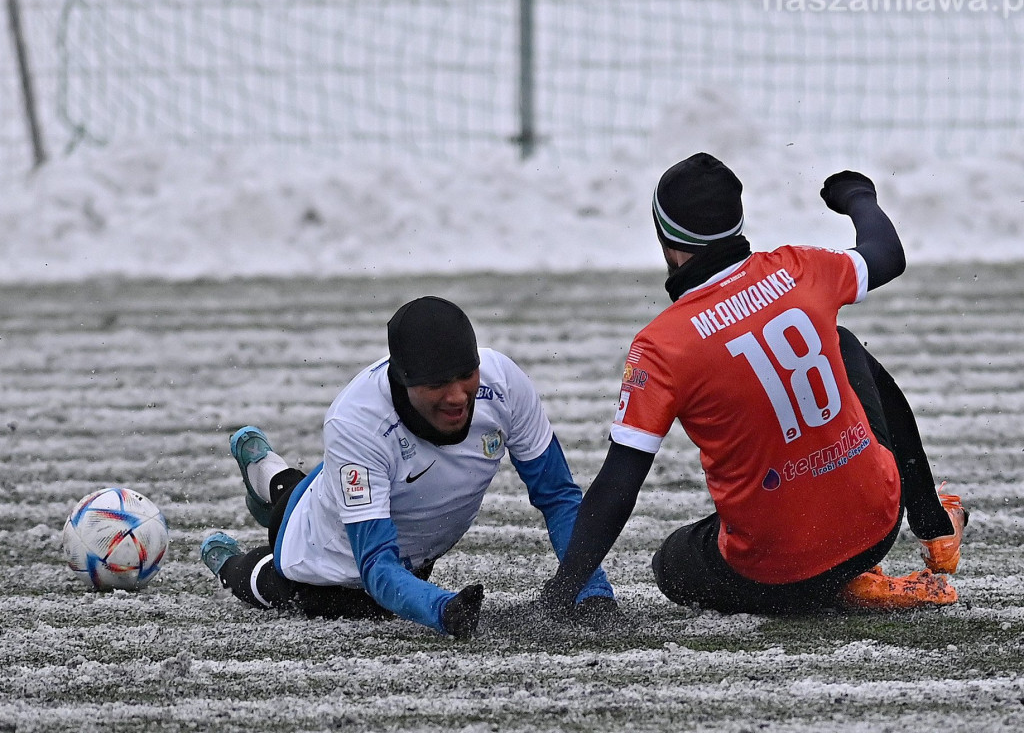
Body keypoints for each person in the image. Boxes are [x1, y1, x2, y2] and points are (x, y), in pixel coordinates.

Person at [539, 153, 968, 615]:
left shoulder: (661, 345)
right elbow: (887, 254)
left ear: (665, 238)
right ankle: (932, 525)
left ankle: (831, 584)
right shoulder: (799, 269)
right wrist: (857, 196)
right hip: (874, 531)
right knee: (843, 343)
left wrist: (562, 593)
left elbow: (618, 485)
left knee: (671, 562)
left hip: (773, 577)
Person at [200, 296, 615, 637]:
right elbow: (377, 565)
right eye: (437, 384)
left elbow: (559, 497)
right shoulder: (357, 422)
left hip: (379, 523)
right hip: (327, 562)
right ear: (402, 380)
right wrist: (441, 608)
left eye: (466, 374)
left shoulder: (502, 381)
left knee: (314, 487)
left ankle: (265, 471)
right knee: (271, 577)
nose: (457, 396)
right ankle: (225, 559)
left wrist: (591, 589)